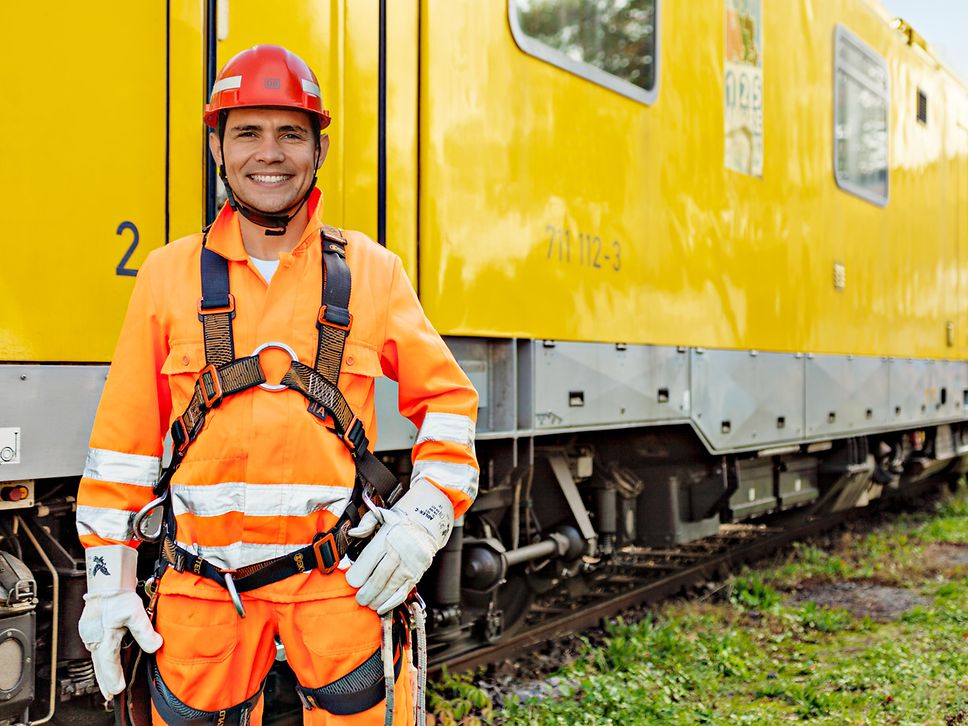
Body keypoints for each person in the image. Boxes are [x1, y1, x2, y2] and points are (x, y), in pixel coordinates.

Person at [75, 44, 479, 725]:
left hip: (338, 593)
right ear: (218, 148)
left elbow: (449, 405)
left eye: (291, 133)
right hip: (201, 600)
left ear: (318, 149)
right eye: (248, 133)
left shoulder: (371, 274)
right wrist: (107, 588)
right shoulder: (167, 278)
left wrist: (421, 523)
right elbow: (122, 452)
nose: (271, 153)